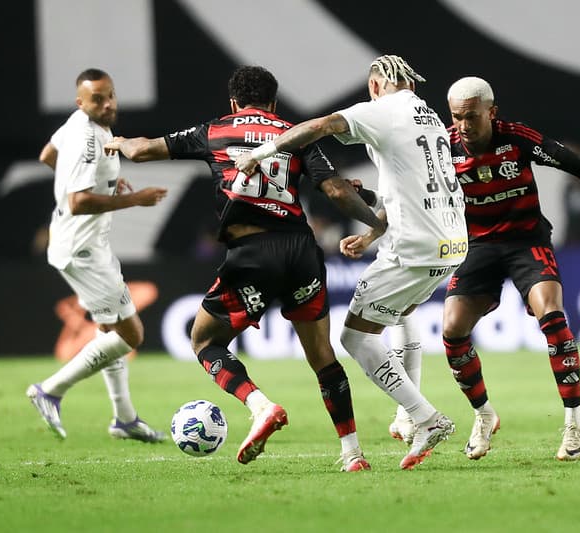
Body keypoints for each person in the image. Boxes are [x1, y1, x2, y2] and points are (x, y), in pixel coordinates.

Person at [104, 66, 386, 472]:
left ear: (233, 102)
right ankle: (353, 453)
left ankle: (260, 405)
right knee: (323, 355)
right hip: (301, 250)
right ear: (273, 102)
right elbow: (337, 190)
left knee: (204, 341)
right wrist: (377, 224)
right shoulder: (295, 133)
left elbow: (143, 150)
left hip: (253, 252)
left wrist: (120, 142)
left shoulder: (216, 130)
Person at [236, 55, 468, 470]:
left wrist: (264, 150)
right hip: (450, 243)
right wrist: (375, 231)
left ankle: (426, 417)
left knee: (355, 338)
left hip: (415, 247)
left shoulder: (382, 110)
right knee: (397, 315)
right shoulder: (429, 117)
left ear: (377, 84)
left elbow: (319, 127)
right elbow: (413, 191)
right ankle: (408, 417)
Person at [426, 76, 580, 462]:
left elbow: (577, 164)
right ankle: (484, 415)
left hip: (527, 242)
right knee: (452, 331)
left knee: (552, 316)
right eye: (456, 117)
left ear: (492, 112)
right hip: (479, 248)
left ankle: (574, 421)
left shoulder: (518, 138)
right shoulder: (443, 148)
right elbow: (417, 191)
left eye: (471, 116)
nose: (463, 125)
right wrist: (378, 225)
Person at [26, 68, 168, 443]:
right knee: (131, 334)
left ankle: (124, 419)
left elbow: (47, 155)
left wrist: (102, 181)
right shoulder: (88, 138)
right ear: (80, 103)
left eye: (110, 96)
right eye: (97, 99)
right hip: (84, 249)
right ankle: (50, 390)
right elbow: (78, 201)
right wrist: (133, 199)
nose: (107, 104)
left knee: (109, 331)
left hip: (77, 244)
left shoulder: (76, 124)